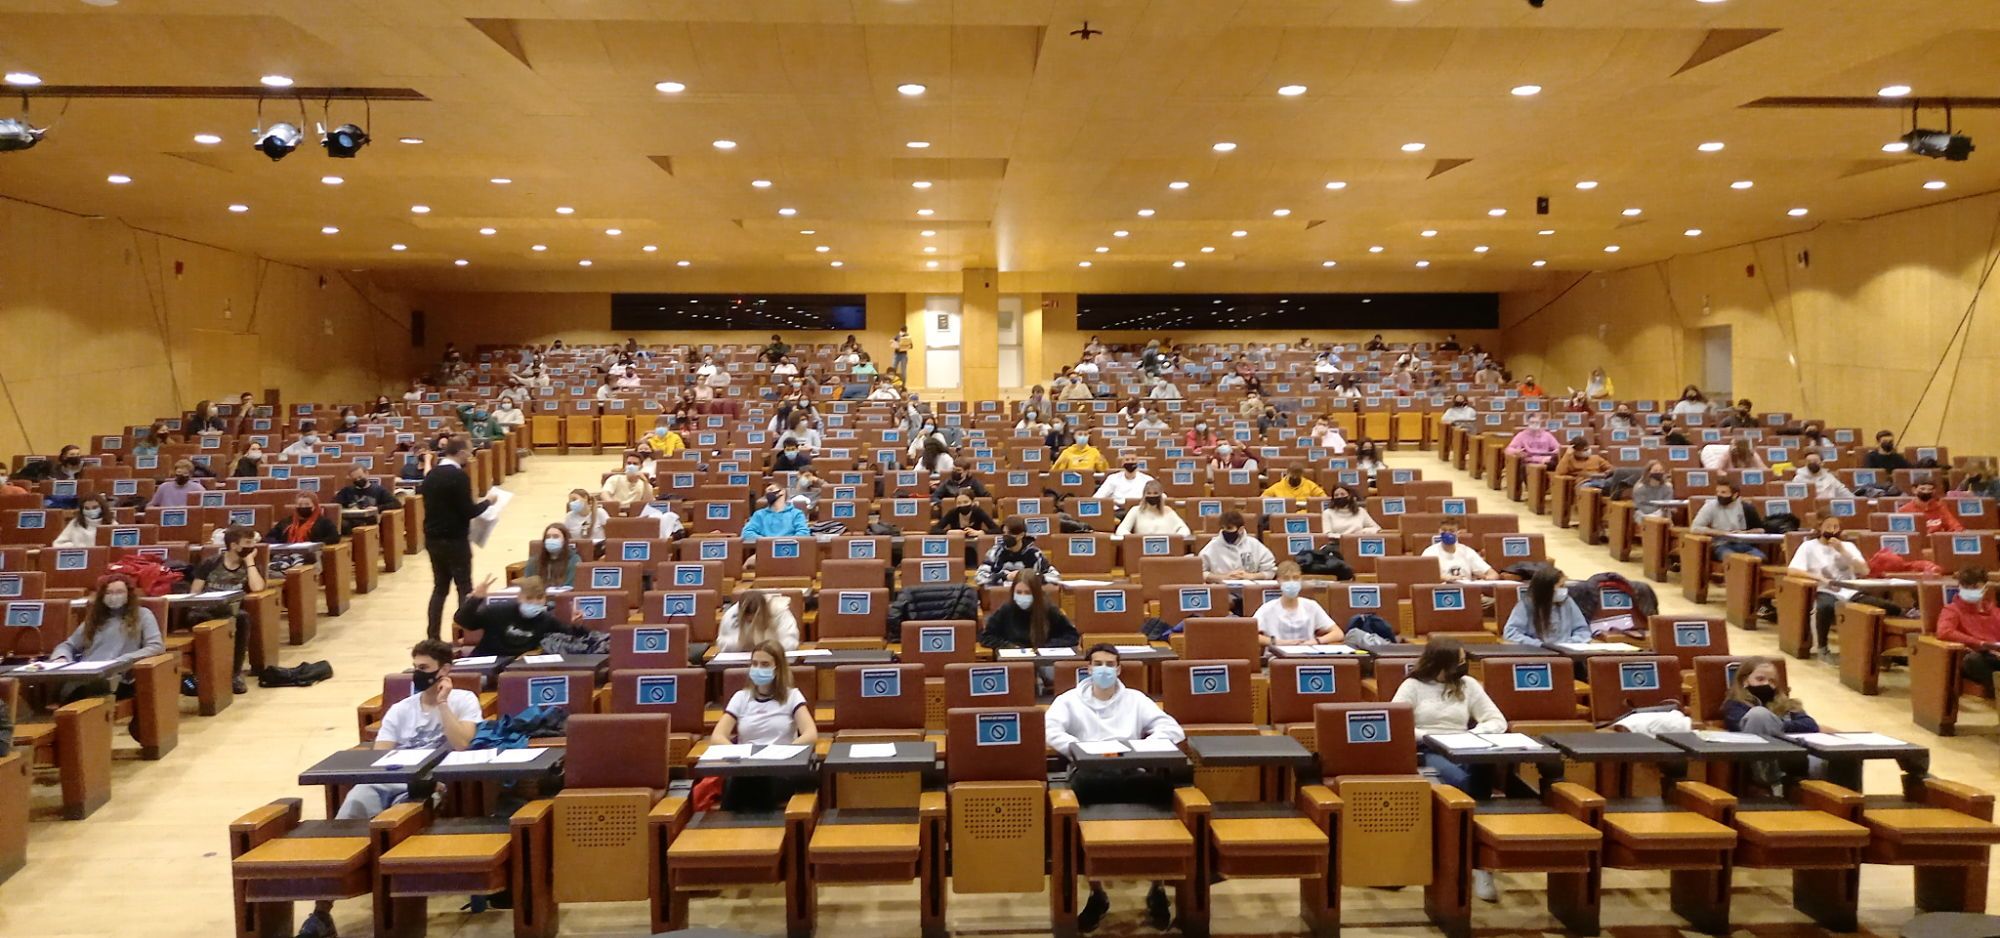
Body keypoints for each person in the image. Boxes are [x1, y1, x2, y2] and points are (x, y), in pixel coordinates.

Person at [292, 638, 479, 938]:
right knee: (349, 814)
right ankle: (321, 913)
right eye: (415, 667)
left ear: (444, 670)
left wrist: (443, 704)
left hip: (432, 783)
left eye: (424, 668)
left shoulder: (464, 700)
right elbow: (380, 759)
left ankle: (394, 911)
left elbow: (462, 742)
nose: (417, 674)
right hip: (390, 779)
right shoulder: (401, 709)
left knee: (394, 823)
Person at [1044, 642, 1187, 932]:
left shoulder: (1135, 699)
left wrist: (1141, 747)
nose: (1104, 670)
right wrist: (1080, 749)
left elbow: (1172, 729)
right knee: (1069, 811)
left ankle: (1157, 888)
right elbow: (1049, 730)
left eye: (1110, 665)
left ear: (1119, 669)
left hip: (1132, 770)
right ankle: (1097, 893)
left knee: (1165, 794)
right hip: (1090, 774)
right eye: (1098, 664)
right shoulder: (1069, 700)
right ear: (1087, 668)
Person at [1393, 638, 1507, 901]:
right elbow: (1398, 724)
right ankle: (1476, 862)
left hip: (1466, 746)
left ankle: (1477, 862)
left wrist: (1476, 735)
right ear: (1441, 662)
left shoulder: (1468, 685)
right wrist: (1429, 738)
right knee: (1466, 787)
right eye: (1459, 660)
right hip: (1429, 749)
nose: (1463, 665)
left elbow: (1496, 720)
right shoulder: (1412, 686)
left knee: (1480, 769)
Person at [710, 640, 820, 809]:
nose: (758, 668)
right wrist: (739, 754)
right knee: (739, 782)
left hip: (780, 769)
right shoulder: (741, 697)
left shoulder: (792, 696)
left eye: (765, 664)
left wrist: (784, 752)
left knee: (757, 784)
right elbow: (717, 737)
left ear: (778, 668)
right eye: (754, 664)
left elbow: (810, 734)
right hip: (747, 768)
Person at [44, 574, 165, 704]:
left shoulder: (143, 614)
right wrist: (61, 657)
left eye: (119, 592)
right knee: (67, 692)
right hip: (87, 675)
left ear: (128, 594)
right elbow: (68, 645)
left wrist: (122, 660)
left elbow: (156, 647)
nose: (114, 596)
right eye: (109, 592)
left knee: (87, 695)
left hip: (118, 678)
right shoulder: (94, 619)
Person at [1788, 518, 1888, 663]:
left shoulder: (1848, 546)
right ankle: (1822, 648)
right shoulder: (1808, 547)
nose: (1833, 530)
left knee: (1885, 606)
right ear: (1819, 528)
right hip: (1824, 590)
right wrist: (1818, 577)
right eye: (1828, 526)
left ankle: (1879, 653)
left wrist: (1842, 550)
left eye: (1836, 526)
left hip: (1849, 591)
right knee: (1825, 607)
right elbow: (1793, 570)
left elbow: (1864, 571)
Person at [421, 435, 492, 641]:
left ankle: (432, 636)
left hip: (433, 540)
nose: (469, 457)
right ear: (460, 453)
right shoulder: (459, 476)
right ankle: (465, 634)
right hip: (454, 541)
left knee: (440, 588)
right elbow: (469, 511)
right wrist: (488, 502)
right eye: (468, 453)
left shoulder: (432, 474)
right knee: (464, 587)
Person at [184, 527, 266, 695]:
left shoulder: (249, 566)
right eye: (248, 543)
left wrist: (250, 562)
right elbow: (195, 592)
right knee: (196, 618)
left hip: (231, 610)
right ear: (234, 545)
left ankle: (235, 674)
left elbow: (258, 588)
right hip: (206, 610)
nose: (253, 547)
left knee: (242, 619)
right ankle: (202, 675)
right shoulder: (211, 563)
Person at [454, 576, 588, 657]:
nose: (534, 602)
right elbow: (462, 621)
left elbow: (574, 638)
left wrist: (577, 626)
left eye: (539, 598)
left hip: (517, 667)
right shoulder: (498, 611)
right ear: (519, 598)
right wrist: (475, 599)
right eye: (529, 598)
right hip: (487, 659)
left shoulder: (546, 619)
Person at [1937, 565, 2000, 702]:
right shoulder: (1952, 610)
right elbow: (1944, 632)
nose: (1971, 591)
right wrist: (1980, 643)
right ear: (1960, 587)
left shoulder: (1994, 611)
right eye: (1966, 587)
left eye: (1975, 587)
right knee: (1973, 660)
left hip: (1996, 655)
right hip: (1974, 656)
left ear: (1985, 588)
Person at [979, 570, 1080, 650]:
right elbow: (986, 637)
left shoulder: (1049, 609)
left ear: (1036, 593)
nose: (1022, 596)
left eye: (1027, 592)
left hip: (1044, 658)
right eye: (1019, 592)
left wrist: (1048, 646)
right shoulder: (1006, 609)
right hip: (1015, 659)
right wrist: (1009, 646)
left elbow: (1072, 636)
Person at [1252, 562, 1342, 646]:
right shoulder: (1267, 608)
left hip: (1306, 654)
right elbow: (1250, 635)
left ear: (1300, 579)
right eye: (1286, 578)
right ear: (1279, 581)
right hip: (1277, 656)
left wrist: (1316, 641)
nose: (1291, 582)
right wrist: (1278, 642)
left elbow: (1338, 633)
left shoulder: (1311, 606)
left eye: (1295, 578)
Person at [1502, 567, 1590, 646]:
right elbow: (1511, 633)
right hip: (1537, 653)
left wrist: (1571, 643)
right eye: (1561, 586)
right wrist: (1539, 645)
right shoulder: (1527, 605)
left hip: (1567, 651)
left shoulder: (1567, 601)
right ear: (1547, 588)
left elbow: (1582, 630)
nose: (1564, 590)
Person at [1690, 480, 1763, 561]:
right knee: (1733, 560)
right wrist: (1722, 533)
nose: (1719, 495)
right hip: (1721, 545)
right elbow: (1695, 528)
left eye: (1723, 492)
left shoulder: (1746, 507)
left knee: (1761, 558)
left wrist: (1745, 533)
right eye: (1717, 492)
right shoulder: (1710, 506)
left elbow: (1760, 530)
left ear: (1735, 495)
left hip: (1744, 545)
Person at [978, 516, 1060, 585]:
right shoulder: (995, 552)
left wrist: (1029, 577)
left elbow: (1055, 576)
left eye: (1010, 533)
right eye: (1004, 533)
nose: (1006, 536)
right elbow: (980, 577)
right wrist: (1004, 576)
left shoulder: (1035, 553)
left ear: (1021, 535)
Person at [1199, 511, 1276, 582]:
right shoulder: (1212, 546)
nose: (1225, 531)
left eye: (1229, 528)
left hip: (1250, 591)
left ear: (1241, 529)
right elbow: (1199, 573)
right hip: (1223, 591)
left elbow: (1270, 571)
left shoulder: (1255, 545)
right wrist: (1222, 577)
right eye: (1223, 528)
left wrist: (1251, 576)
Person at [715, 590, 802, 653]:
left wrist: (765, 643)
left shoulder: (780, 612)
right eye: (748, 619)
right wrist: (742, 642)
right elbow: (723, 644)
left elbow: (791, 643)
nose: (751, 621)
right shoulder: (731, 614)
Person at [1422, 519, 1497, 580]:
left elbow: (1493, 574)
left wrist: (1488, 578)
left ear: (1458, 533)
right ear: (1439, 531)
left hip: (1466, 592)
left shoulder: (1467, 551)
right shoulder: (1429, 553)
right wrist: (1446, 578)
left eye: (1451, 531)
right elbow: (1424, 578)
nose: (1447, 533)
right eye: (1444, 530)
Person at [1115, 482, 1190, 536]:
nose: (1152, 496)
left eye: (1155, 493)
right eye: (1149, 493)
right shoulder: (1135, 510)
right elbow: (1121, 530)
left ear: (1160, 496)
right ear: (1144, 495)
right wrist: (1135, 540)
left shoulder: (1168, 511)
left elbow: (1184, 530)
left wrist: (1175, 539)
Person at [740, 490, 811, 545]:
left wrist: (785, 542)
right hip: (765, 549)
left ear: (782, 492)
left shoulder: (796, 513)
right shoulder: (759, 514)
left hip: (791, 549)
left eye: (771, 489)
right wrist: (766, 542)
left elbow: (804, 533)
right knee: (750, 563)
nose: (768, 492)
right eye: (767, 491)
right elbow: (747, 532)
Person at [1896, 478, 1964, 533]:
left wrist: (1957, 531)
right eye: (1922, 489)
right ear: (1914, 490)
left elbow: (1954, 525)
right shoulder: (1904, 510)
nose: (1926, 492)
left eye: (1930, 489)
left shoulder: (1940, 506)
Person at [524, 524, 580, 588]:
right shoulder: (533, 561)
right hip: (539, 596)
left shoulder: (574, 560)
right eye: (547, 537)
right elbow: (528, 586)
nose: (551, 540)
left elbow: (571, 586)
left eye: (556, 537)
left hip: (562, 596)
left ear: (564, 540)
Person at [933, 491, 999, 537]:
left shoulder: (978, 511)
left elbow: (997, 530)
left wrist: (981, 532)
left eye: (966, 502)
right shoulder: (952, 512)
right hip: (956, 543)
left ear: (972, 502)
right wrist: (949, 532)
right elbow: (934, 530)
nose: (962, 505)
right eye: (959, 503)